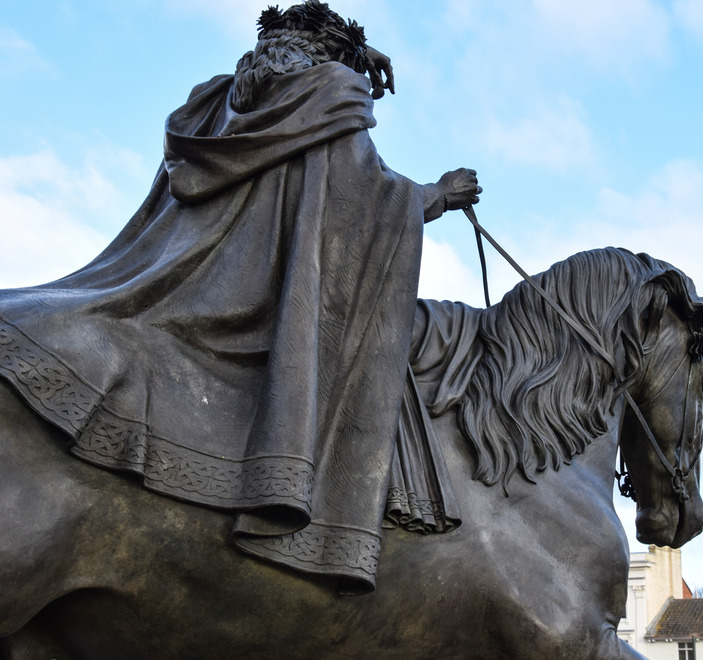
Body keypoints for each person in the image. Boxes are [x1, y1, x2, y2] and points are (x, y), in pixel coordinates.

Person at [0, 1, 479, 595]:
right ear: (335, 54)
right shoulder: (333, 91)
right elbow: (357, 204)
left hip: (165, 290)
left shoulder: (215, 102)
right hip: (254, 306)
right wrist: (436, 195)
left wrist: (352, 54)